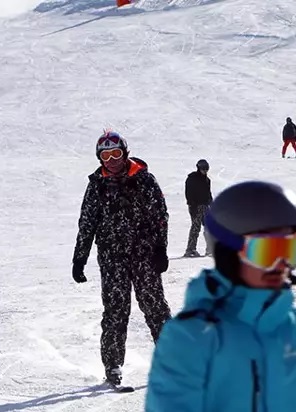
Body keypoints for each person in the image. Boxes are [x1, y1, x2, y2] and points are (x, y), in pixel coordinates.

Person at [146, 180, 296, 411]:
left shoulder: (290, 327)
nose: (281, 265)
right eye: (267, 251)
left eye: (290, 251)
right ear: (229, 252)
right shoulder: (191, 337)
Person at [71, 130, 171, 386]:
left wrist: (161, 249)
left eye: (116, 153)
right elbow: (87, 222)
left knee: (156, 307)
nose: (112, 160)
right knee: (115, 310)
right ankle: (113, 366)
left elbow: (160, 216)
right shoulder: (96, 185)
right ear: (99, 158)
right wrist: (79, 258)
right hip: (112, 258)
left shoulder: (144, 180)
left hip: (144, 256)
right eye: (106, 155)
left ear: (125, 152)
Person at [184, 159, 214, 257]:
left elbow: (208, 193)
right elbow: (188, 192)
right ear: (199, 168)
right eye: (203, 170)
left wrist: (211, 202)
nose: (205, 172)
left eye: (206, 170)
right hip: (195, 206)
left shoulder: (207, 180)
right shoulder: (192, 178)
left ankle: (210, 249)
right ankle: (190, 249)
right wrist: (191, 204)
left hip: (205, 205)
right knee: (195, 228)